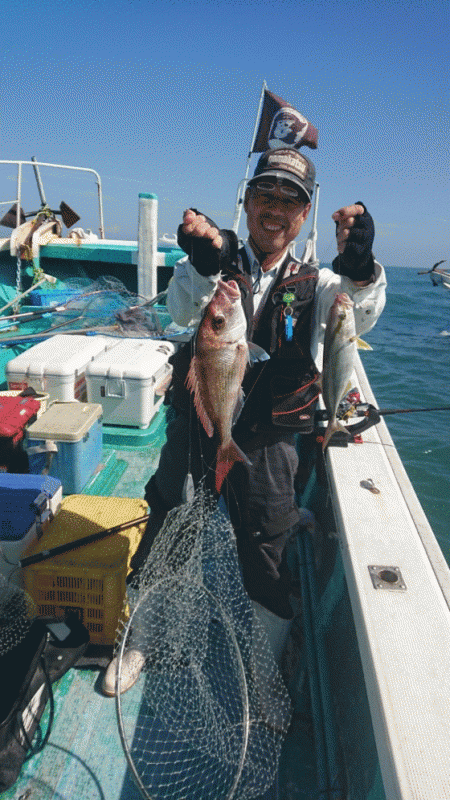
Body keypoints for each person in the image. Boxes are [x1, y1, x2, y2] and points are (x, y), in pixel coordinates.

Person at [102, 147, 387, 695]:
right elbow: (182, 311)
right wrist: (200, 266)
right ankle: (142, 638)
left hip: (270, 439)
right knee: (169, 519)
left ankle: (261, 668)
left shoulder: (320, 283)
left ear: (305, 214)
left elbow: (360, 311)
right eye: (264, 195)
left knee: (266, 545)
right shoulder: (218, 265)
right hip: (199, 424)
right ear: (247, 200)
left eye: (290, 200)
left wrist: (362, 271)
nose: (275, 209)